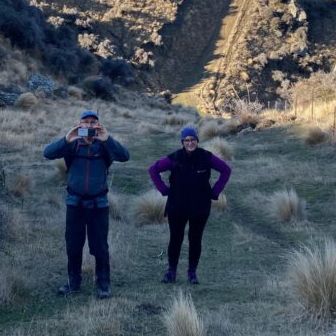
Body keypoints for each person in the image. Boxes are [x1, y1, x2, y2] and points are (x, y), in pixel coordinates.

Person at [43, 109, 129, 298]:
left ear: (98, 125)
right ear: (79, 124)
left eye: (93, 122)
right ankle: (73, 282)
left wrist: (107, 139)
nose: (89, 125)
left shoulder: (104, 146)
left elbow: (125, 156)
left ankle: (103, 283)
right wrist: (66, 139)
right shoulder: (72, 144)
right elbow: (47, 153)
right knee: (73, 244)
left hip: (99, 204)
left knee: (100, 246)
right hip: (75, 204)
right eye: (86, 122)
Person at [148, 126, 232, 284]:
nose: (190, 143)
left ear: (197, 141)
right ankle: (171, 271)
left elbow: (226, 170)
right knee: (175, 239)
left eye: (193, 140)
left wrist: (214, 193)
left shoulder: (206, 157)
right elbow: (153, 170)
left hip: (200, 207)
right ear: (182, 142)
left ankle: (192, 273)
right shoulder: (175, 157)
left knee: (195, 239)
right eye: (186, 140)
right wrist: (164, 190)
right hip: (177, 207)